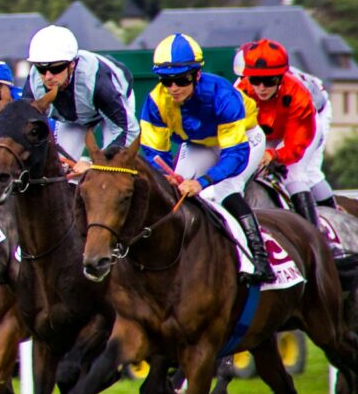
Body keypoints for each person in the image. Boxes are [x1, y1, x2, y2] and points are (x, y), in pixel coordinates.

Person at [138, 33, 274, 284]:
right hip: (199, 143)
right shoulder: (156, 101)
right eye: (166, 81)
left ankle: (258, 258)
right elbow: (154, 151)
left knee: (224, 189)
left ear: (197, 74)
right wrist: (166, 174)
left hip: (242, 140)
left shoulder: (222, 95)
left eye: (181, 79)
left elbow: (234, 155)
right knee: (174, 191)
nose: (173, 88)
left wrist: (202, 182)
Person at [234, 39, 336, 227]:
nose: (261, 87)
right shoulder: (241, 90)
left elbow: (295, 145)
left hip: (308, 119)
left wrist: (273, 155)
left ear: (280, 77)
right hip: (270, 123)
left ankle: (317, 233)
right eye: (254, 80)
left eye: (269, 81)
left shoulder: (299, 95)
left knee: (297, 174)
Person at [22, 25, 139, 177]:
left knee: (110, 171)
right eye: (41, 69)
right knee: (60, 173)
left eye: (56, 68)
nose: (48, 76)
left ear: (72, 64)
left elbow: (128, 130)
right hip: (72, 118)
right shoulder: (34, 82)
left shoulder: (98, 83)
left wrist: (95, 163)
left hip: (114, 109)